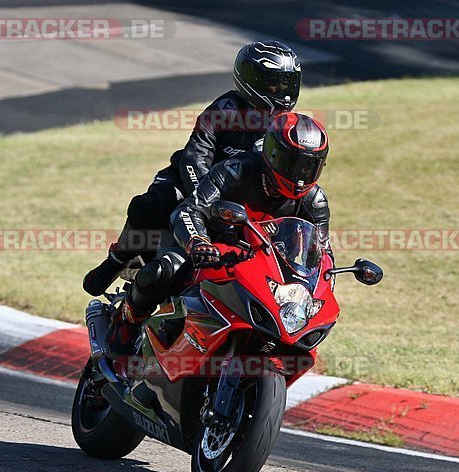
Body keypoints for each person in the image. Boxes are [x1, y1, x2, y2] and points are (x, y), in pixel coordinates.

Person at [82, 41, 302, 297]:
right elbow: (194, 162)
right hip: (191, 186)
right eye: (275, 83)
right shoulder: (222, 113)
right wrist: (206, 206)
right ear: (251, 80)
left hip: (238, 202)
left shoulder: (286, 127)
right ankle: (119, 258)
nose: (283, 92)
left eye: (288, 83)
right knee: (151, 204)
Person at [103, 112, 331, 356]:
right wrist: (197, 242)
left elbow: (320, 251)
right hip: (207, 246)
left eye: (309, 167)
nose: (299, 177)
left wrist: (323, 278)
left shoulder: (314, 202)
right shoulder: (237, 171)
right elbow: (190, 210)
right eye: (293, 164)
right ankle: (125, 321)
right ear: (274, 154)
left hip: (255, 263)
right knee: (166, 269)